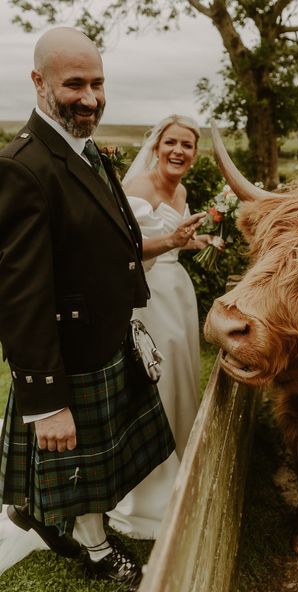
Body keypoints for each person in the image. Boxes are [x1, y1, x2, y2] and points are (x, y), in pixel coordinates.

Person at [0, 28, 203, 589]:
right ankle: (94, 547)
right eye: (74, 84)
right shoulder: (24, 166)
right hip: (71, 353)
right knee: (86, 463)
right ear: (39, 83)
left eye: (97, 83)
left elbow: (113, 244)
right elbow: (19, 294)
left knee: (109, 457)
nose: (89, 97)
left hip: (109, 335)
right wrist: (45, 401)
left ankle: (36, 508)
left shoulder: (85, 150)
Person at [107, 115, 223, 539]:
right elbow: (126, 250)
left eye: (187, 145)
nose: (178, 151)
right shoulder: (137, 188)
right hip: (147, 298)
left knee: (179, 379)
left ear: (195, 153)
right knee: (153, 383)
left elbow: (176, 237)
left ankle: (179, 464)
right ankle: (145, 488)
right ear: (156, 146)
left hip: (178, 294)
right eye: (171, 142)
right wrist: (173, 242)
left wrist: (201, 241)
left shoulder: (183, 190)